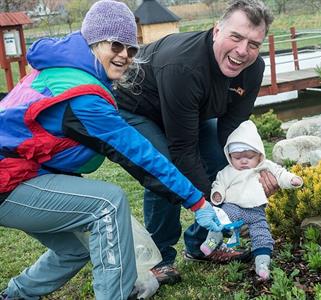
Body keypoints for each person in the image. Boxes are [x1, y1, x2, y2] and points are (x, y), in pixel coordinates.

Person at [0, 1, 222, 299]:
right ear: (94, 41)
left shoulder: (63, 69)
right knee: (108, 203)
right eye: (116, 45)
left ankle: (15, 295)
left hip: (20, 175)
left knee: (75, 249)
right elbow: (140, 156)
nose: (124, 56)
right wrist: (197, 202)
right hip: (8, 182)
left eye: (131, 50)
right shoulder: (84, 97)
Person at [115, 0, 275, 285]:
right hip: (136, 108)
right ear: (216, 31)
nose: (242, 51)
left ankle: (202, 245)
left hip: (187, 111)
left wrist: (253, 171)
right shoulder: (184, 65)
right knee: (164, 168)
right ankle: (159, 257)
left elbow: (233, 134)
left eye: (253, 44)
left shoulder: (253, 68)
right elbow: (183, 150)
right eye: (236, 37)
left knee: (220, 157)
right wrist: (212, 207)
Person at [200, 120, 303, 280]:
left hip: (257, 212)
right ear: (229, 156)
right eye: (237, 157)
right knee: (220, 220)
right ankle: (211, 244)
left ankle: (262, 264)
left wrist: (291, 180)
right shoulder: (227, 171)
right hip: (233, 207)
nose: (243, 161)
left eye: (249, 157)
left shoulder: (265, 166)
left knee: (262, 236)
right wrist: (217, 195)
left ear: (259, 154)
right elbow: (218, 184)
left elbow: (280, 173)